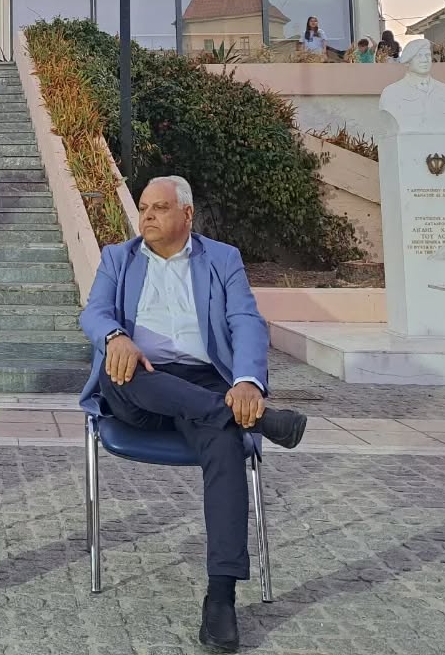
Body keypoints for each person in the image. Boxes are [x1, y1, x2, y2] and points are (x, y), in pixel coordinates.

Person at [79, 176, 308, 654]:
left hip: (204, 381)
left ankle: (221, 598)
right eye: (143, 207)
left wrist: (247, 383)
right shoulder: (118, 258)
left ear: (187, 214)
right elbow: (94, 313)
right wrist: (116, 337)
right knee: (124, 373)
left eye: (159, 207)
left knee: (224, 445)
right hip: (139, 381)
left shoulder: (221, 259)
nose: (146, 216)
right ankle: (259, 420)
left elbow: (245, 321)